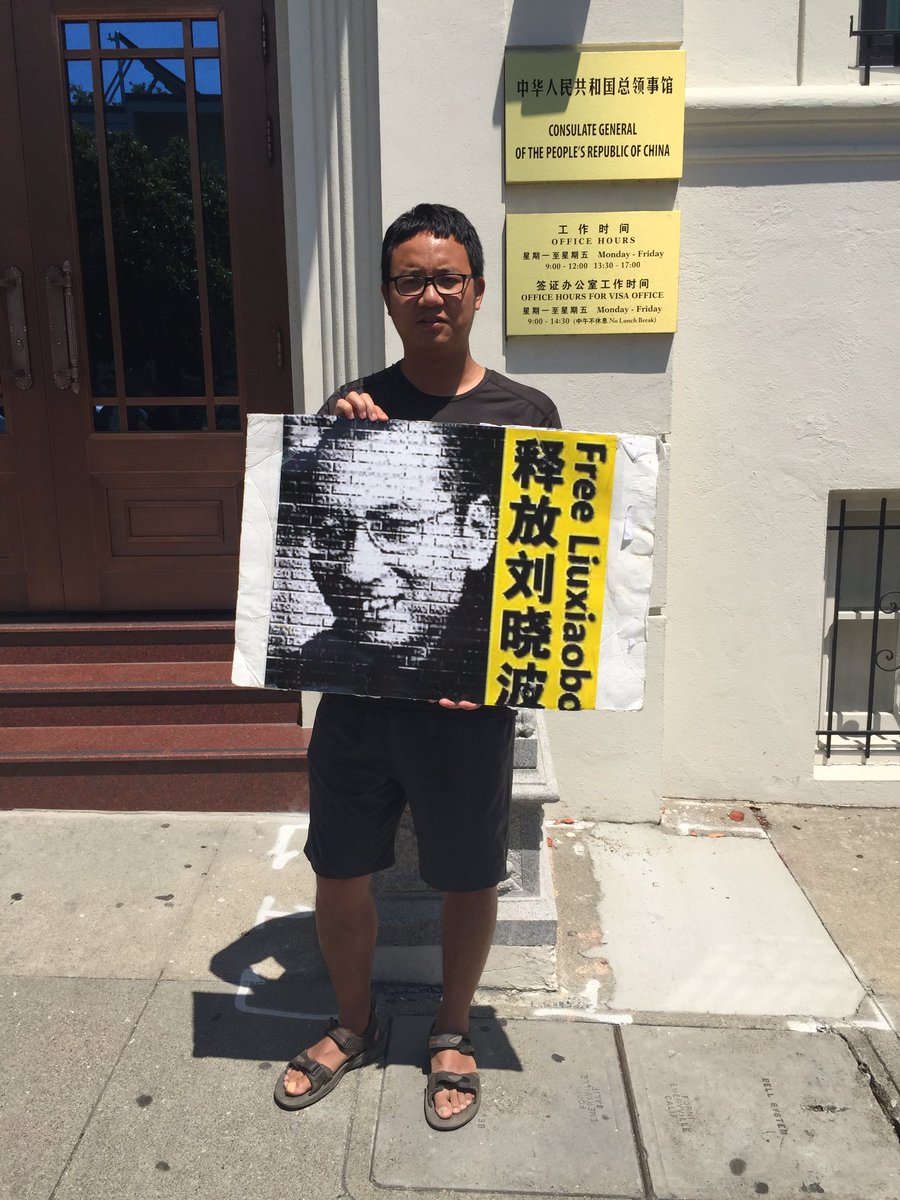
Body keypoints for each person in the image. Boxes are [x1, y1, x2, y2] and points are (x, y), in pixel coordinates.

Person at [273, 203, 560, 1129]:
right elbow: (306, 519)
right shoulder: (353, 405)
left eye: (446, 278)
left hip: (468, 711)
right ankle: (350, 1025)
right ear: (388, 297)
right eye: (409, 280)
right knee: (340, 868)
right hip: (356, 703)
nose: (429, 295)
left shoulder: (526, 414)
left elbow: (547, 569)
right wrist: (332, 432)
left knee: (469, 875)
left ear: (477, 290)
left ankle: (451, 1029)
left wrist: (502, 676)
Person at [265, 418, 503, 701]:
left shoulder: (509, 663)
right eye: (332, 533)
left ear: (477, 531)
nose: (356, 570)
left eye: (396, 527)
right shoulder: (307, 665)